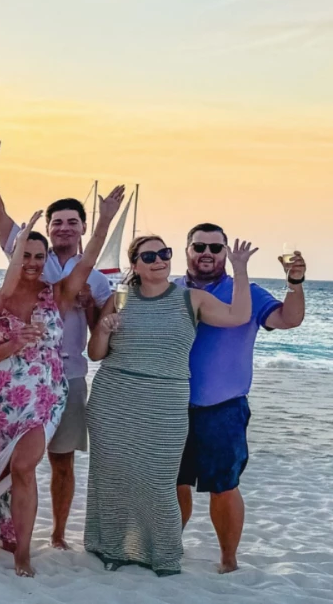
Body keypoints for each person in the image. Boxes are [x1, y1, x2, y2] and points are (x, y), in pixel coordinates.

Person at [0, 188, 123, 577]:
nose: (31, 263)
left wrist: (104, 219)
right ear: (13, 257)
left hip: (47, 393)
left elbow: (91, 256)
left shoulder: (60, 294)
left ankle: (24, 554)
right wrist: (13, 343)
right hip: (0, 395)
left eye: (37, 256)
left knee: (23, 466)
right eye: (23, 255)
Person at [86, 235, 255, 576]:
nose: (159, 260)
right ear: (135, 265)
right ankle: (113, 548)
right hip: (114, 396)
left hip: (166, 400)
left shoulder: (191, 298)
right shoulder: (121, 298)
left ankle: (162, 554)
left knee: (159, 481)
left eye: (164, 253)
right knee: (113, 478)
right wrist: (103, 330)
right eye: (149, 256)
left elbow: (238, 315)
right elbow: (95, 353)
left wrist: (239, 269)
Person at [175, 223, 305, 573]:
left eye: (215, 248)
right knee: (175, 481)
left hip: (223, 406)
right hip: (170, 404)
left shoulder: (244, 289)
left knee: (224, 486)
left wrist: (294, 284)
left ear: (225, 253)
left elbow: (288, 319)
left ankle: (228, 560)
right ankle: (172, 546)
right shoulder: (169, 289)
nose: (207, 253)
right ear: (187, 249)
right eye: (199, 246)